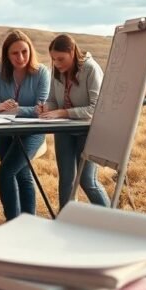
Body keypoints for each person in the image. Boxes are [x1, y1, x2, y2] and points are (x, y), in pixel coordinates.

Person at [0, 30, 51, 219]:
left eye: (24, 52)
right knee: (22, 174)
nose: (20, 57)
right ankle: (27, 223)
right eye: (14, 53)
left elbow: (41, 109)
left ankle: (13, 224)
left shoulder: (42, 72)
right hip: (4, 131)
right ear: (7, 55)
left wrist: (15, 110)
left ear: (30, 51)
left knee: (6, 172)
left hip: (32, 132)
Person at [37, 34, 110, 209]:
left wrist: (63, 112)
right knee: (66, 180)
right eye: (53, 59)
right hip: (64, 131)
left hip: (88, 131)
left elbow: (96, 109)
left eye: (61, 59)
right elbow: (53, 100)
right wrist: (47, 108)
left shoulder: (90, 69)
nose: (56, 63)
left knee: (87, 180)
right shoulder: (56, 70)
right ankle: (65, 224)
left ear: (72, 52)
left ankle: (112, 222)